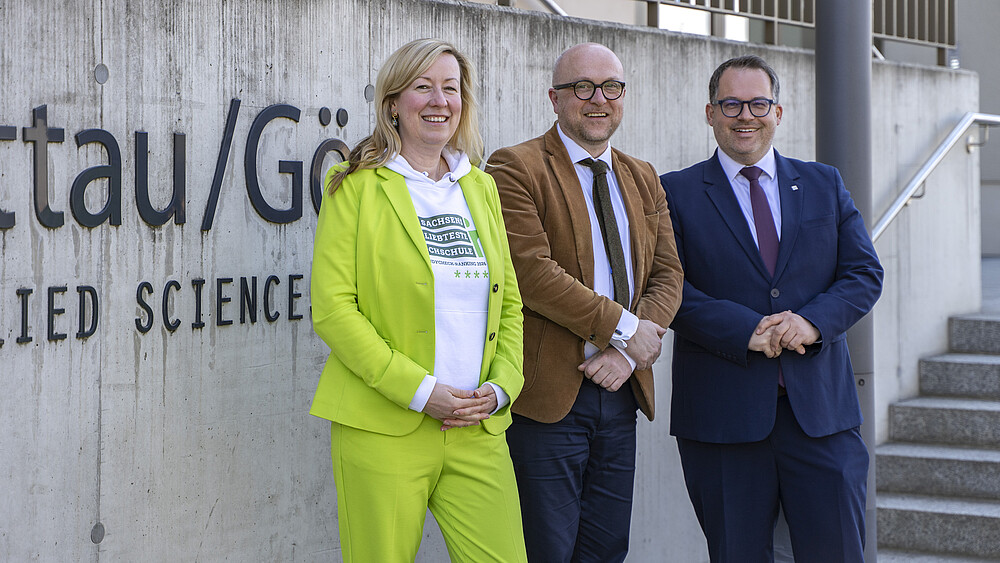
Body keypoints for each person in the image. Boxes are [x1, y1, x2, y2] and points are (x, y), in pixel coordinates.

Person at [308, 38, 527, 563]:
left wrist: (501, 388)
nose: (439, 100)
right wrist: (420, 391)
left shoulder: (481, 188)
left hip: (476, 426)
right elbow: (334, 309)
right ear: (393, 103)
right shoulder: (354, 186)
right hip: (385, 425)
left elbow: (512, 304)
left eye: (450, 88)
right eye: (422, 87)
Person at [660, 55, 884, 562]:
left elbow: (863, 273)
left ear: (778, 113)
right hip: (723, 418)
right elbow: (667, 287)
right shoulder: (674, 192)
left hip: (821, 417)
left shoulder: (824, 183)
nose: (746, 115)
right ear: (710, 113)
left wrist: (811, 321)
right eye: (731, 103)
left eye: (758, 103)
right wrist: (746, 330)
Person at [487, 43, 684, 563]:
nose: (598, 99)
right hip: (549, 397)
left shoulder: (642, 176)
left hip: (621, 390)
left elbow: (668, 274)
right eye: (582, 88)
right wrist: (624, 328)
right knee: (546, 549)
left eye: (611, 88)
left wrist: (629, 351)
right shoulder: (515, 167)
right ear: (555, 98)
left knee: (605, 548)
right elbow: (531, 273)